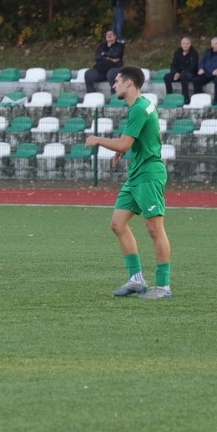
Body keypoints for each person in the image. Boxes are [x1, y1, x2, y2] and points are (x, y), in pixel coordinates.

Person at [85, 66, 173, 300]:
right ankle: (137, 280)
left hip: (149, 174)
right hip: (137, 174)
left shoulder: (139, 109)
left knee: (155, 229)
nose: (113, 85)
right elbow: (139, 138)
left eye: (117, 81)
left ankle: (163, 286)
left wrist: (97, 139)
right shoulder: (140, 106)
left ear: (129, 83)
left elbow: (124, 143)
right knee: (118, 224)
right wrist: (123, 151)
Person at [192, 36, 217, 101]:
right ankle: (200, 99)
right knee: (196, 80)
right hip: (207, 73)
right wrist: (201, 68)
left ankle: (216, 99)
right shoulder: (208, 52)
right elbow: (201, 61)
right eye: (216, 43)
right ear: (212, 45)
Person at [164, 36, 200, 103]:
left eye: (187, 43)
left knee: (184, 75)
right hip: (178, 74)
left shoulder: (194, 53)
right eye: (183, 44)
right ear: (181, 45)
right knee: (167, 77)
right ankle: (170, 96)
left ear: (190, 44)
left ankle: (185, 98)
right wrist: (175, 73)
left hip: (190, 74)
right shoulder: (177, 53)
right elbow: (173, 65)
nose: (185, 45)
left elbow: (193, 67)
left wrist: (180, 74)